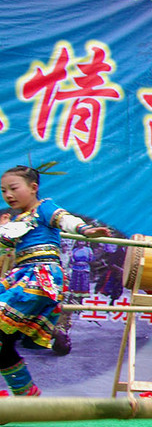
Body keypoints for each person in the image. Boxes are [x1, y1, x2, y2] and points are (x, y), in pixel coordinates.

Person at [0, 164, 111, 396]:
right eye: (3, 191)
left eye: (13, 188)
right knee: (3, 343)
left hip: (39, 277)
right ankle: (26, 395)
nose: (8, 195)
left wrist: (85, 230)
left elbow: (65, 220)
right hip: (20, 276)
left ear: (33, 188)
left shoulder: (44, 208)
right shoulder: (16, 220)